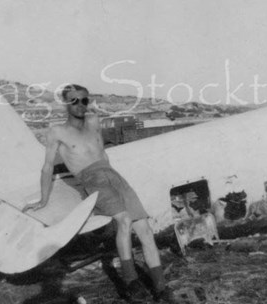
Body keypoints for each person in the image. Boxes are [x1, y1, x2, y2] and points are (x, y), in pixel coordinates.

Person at [23, 84, 173, 302]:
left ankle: (161, 288)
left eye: (84, 100)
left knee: (145, 230)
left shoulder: (94, 122)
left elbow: (102, 152)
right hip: (92, 179)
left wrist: (115, 180)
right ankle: (132, 282)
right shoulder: (57, 132)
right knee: (123, 222)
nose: (80, 105)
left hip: (113, 176)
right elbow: (47, 167)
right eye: (74, 100)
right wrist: (43, 199)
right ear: (66, 103)